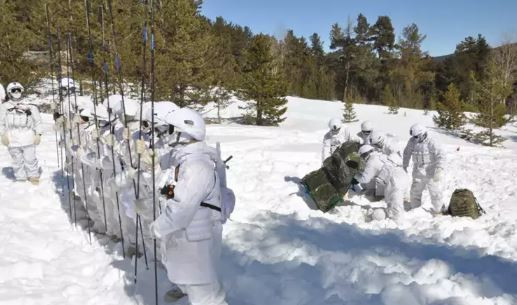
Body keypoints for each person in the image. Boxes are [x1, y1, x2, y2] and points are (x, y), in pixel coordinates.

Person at [146, 107, 228, 305]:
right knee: (191, 283)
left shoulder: (196, 165)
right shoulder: (186, 161)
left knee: (207, 296)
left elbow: (181, 210)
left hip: (198, 240)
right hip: (189, 237)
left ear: (184, 133)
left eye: (170, 130)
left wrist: (156, 228)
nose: (166, 136)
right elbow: (177, 192)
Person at [350, 145, 409, 221]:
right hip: (401, 176)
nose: (362, 159)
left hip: (395, 181)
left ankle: (398, 226)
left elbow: (365, 179)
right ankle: (391, 220)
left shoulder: (371, 161)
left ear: (365, 154)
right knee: (391, 203)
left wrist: (353, 175)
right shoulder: (380, 156)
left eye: (362, 156)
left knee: (396, 206)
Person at [0, 82, 42, 184]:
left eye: (18, 90)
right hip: (12, 137)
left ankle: (33, 176)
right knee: (16, 160)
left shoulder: (30, 106)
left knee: (30, 158)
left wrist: (38, 134)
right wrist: (2, 134)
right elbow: (1, 122)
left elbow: (38, 121)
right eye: (14, 90)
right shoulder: (4, 107)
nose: (16, 92)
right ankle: (20, 177)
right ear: (9, 92)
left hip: (28, 136)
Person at [403, 124, 446, 215]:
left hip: (431, 171)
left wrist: (439, 168)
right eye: (414, 137)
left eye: (416, 136)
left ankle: (438, 211)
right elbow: (407, 153)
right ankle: (415, 210)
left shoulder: (432, 141)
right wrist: (404, 165)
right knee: (415, 192)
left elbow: (441, 155)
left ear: (422, 134)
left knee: (435, 193)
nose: (415, 138)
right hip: (418, 170)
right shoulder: (412, 141)